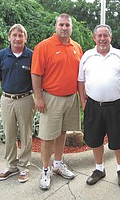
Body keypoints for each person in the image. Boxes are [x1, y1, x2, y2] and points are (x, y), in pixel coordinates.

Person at [31, 13, 83, 190]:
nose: (64, 28)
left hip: (71, 98)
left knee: (62, 133)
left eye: (67, 25)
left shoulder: (77, 46)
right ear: (55, 26)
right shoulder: (43, 46)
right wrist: (38, 97)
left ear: (71, 27)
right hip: (51, 98)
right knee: (47, 136)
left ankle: (58, 164)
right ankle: (45, 169)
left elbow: (80, 76)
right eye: (61, 24)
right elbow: (36, 74)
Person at [77, 24, 120, 188]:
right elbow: (80, 80)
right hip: (93, 106)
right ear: (94, 38)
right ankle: (99, 169)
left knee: (118, 140)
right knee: (95, 140)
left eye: (105, 35)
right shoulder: (87, 56)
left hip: (116, 106)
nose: (102, 39)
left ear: (110, 37)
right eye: (99, 36)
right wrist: (83, 102)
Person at [0, 24, 35, 183]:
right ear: (9, 37)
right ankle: (11, 166)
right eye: (15, 35)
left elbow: (37, 79)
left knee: (26, 134)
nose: (17, 38)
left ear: (25, 38)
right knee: (9, 133)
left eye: (21, 35)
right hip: (7, 99)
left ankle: (24, 167)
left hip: (25, 99)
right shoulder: (1, 55)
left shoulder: (32, 56)